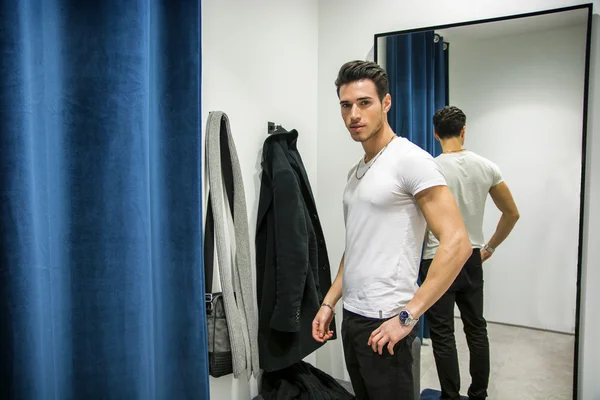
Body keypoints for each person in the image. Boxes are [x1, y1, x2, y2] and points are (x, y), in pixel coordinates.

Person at [311, 60, 473, 400]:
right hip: (353, 317)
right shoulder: (357, 171)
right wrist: (329, 302)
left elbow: (457, 242)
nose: (354, 114)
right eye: (346, 105)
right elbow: (355, 247)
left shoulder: (410, 160)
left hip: (386, 321)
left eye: (364, 102)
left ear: (385, 103)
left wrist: (408, 316)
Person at [420, 105, 520, 400]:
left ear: (436, 133)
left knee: (442, 335)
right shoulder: (487, 167)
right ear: (463, 131)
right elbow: (511, 214)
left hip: (437, 257)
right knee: (476, 329)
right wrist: (488, 247)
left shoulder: (430, 168)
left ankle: (450, 396)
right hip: (471, 256)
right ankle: (478, 394)